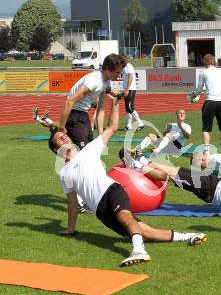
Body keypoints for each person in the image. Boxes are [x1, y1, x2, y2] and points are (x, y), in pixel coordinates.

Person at [47, 94, 207, 267]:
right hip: (101, 211)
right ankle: (190, 236)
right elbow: (72, 202)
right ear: (57, 149)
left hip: (112, 191)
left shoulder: (90, 149)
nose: (65, 137)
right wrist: (71, 229)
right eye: (60, 139)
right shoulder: (64, 173)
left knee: (124, 216)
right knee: (146, 232)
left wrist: (115, 103)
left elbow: (113, 127)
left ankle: (139, 250)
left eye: (65, 136)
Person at [57, 53, 126, 150]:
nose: (119, 75)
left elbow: (100, 109)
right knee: (83, 152)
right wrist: (61, 128)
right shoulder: (93, 81)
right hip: (74, 115)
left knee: (90, 151)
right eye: (117, 72)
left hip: (83, 115)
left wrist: (101, 135)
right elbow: (70, 102)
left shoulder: (106, 81)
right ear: (107, 69)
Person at [192, 54, 221, 155]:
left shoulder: (203, 72)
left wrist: (193, 95)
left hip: (209, 101)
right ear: (214, 61)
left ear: (204, 62)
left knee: (206, 128)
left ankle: (207, 151)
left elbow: (199, 89)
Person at [122, 57, 145, 131]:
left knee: (130, 108)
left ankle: (140, 123)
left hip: (130, 89)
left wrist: (127, 89)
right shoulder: (124, 67)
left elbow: (130, 77)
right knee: (127, 109)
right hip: (127, 89)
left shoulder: (128, 66)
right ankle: (129, 126)